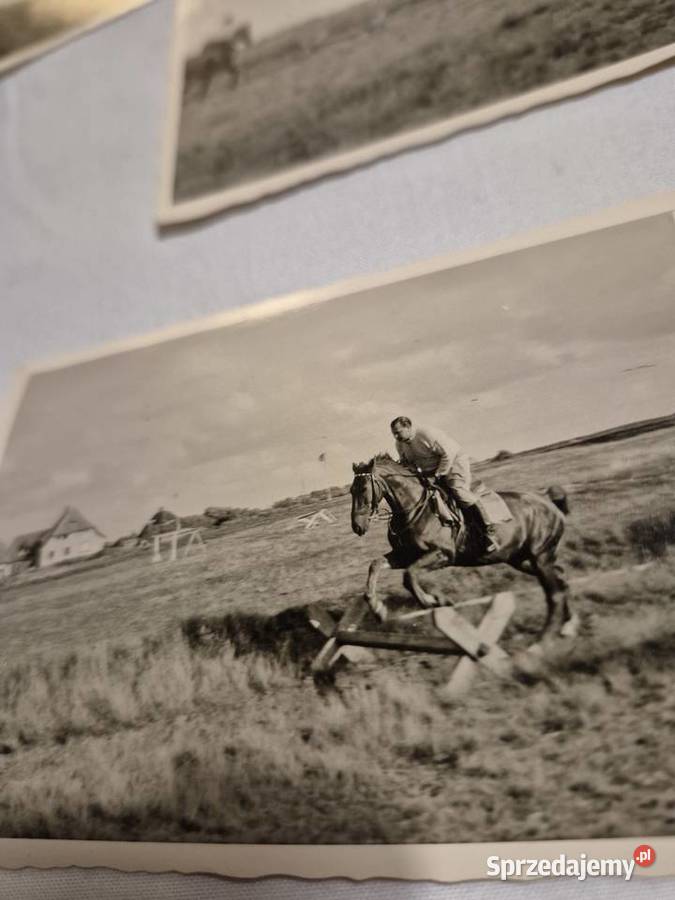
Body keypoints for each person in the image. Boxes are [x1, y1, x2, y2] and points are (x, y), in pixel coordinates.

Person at [390, 416, 500, 552]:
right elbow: (407, 463)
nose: (396, 436)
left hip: (454, 461)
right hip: (430, 470)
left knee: (457, 490)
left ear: (408, 427)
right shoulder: (399, 444)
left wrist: (438, 475)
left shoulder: (426, 434)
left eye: (398, 432)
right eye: (394, 433)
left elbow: (448, 455)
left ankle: (488, 529)